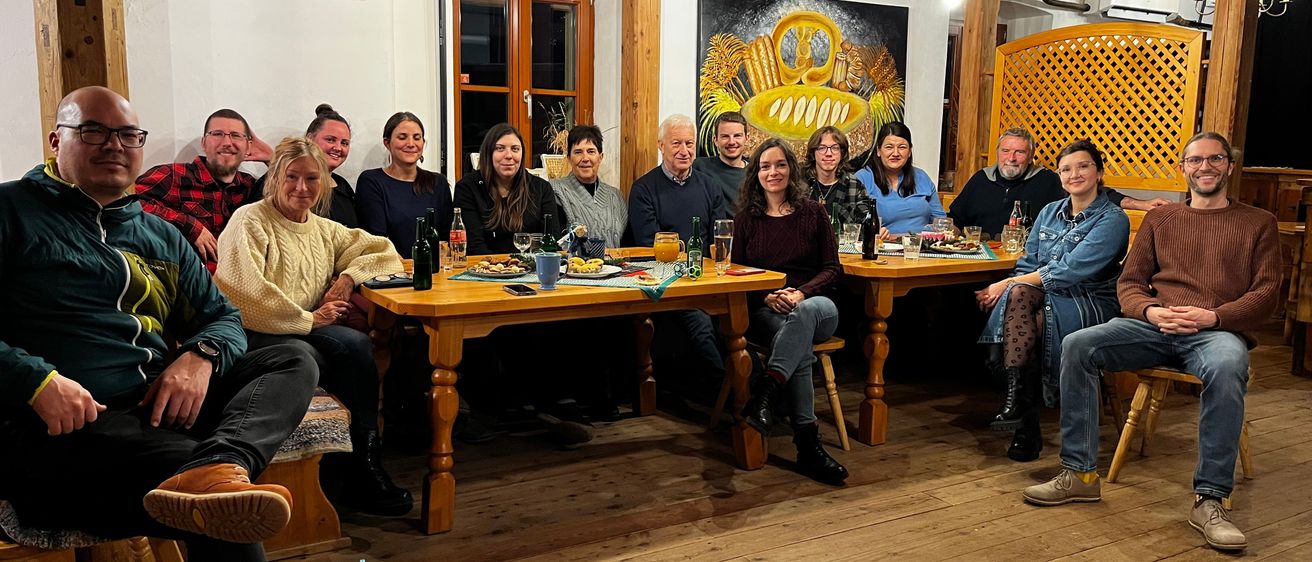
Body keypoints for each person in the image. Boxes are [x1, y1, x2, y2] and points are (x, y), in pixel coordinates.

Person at [0, 86, 318, 561]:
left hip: (154, 407)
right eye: (93, 131)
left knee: (293, 357)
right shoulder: (11, 210)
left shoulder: (159, 233)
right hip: (60, 427)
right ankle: (210, 477)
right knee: (218, 505)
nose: (115, 145)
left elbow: (223, 317)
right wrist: (34, 380)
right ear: (55, 140)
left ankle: (224, 461)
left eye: (129, 135)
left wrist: (201, 356)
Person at [1023, 132, 1281, 553]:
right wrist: (1149, 311)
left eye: (1215, 159)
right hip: (1153, 325)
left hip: (1215, 331)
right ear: (1184, 168)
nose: (1205, 167)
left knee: (1228, 365)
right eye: (1195, 160)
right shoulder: (1162, 220)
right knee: (1078, 345)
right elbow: (1130, 282)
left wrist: (1214, 316)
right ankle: (1080, 475)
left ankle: (1210, 500)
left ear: (1229, 166)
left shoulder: (1259, 222)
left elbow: (1267, 293)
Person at [214, 137, 412, 516]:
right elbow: (245, 297)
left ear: (323, 182)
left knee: (355, 345)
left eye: (311, 179)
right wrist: (312, 319)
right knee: (334, 351)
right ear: (275, 178)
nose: (301, 188)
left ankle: (359, 465)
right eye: (292, 177)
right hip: (257, 331)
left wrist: (349, 277)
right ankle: (354, 471)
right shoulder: (250, 220)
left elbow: (385, 253)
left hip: (303, 327)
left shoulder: (324, 229)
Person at [975, 139, 1129, 462]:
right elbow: (1028, 264)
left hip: (1089, 300)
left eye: (1083, 166)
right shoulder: (1048, 212)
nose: (1074, 175)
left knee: (1027, 311)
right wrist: (1014, 283)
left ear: (1099, 172)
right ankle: (1023, 414)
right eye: (1066, 169)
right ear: (1059, 176)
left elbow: (1070, 272)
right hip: (1042, 295)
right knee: (1023, 300)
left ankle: (1024, 422)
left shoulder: (1113, 219)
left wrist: (1005, 284)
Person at [733, 138, 848, 485]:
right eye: (765, 166)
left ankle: (765, 392)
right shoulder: (746, 219)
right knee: (798, 348)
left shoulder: (813, 212)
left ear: (792, 169)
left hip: (817, 306)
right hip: (769, 310)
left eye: (780, 164)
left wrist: (801, 293)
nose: (773, 172)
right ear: (755, 174)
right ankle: (808, 447)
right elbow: (738, 273)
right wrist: (767, 296)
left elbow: (832, 269)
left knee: (803, 316)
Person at [629, 114, 728, 399]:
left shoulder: (710, 186)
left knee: (738, 316)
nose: (684, 150)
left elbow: (718, 240)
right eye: (676, 143)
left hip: (707, 280)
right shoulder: (644, 189)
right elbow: (650, 245)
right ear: (661, 145)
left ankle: (751, 385)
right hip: (668, 284)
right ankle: (728, 395)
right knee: (701, 323)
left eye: (689, 143)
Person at [949, 128, 1171, 238]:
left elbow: (1095, 193)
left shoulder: (1047, 180)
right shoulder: (981, 178)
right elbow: (956, 219)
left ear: (1031, 156)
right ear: (998, 152)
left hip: (1020, 262)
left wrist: (1140, 204)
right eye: (1006, 151)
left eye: (1020, 152)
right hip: (976, 258)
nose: (1011, 158)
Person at [136, 108, 262, 270]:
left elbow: (287, 200)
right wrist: (189, 226)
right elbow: (126, 203)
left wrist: (272, 159)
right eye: (217, 134)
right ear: (204, 143)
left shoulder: (250, 186)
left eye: (236, 135)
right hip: (185, 281)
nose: (227, 142)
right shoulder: (174, 175)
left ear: (248, 147)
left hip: (238, 281)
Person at [357, 111, 453, 258]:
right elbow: (377, 241)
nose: (411, 144)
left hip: (434, 269)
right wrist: (408, 267)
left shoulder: (438, 183)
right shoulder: (371, 181)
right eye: (402, 137)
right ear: (387, 143)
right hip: (391, 269)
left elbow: (447, 238)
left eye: (417, 138)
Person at [454, 123, 559, 254]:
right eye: (500, 148)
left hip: (532, 265)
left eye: (515, 149)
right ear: (488, 153)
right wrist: (504, 265)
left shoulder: (541, 188)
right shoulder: (467, 188)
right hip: (482, 265)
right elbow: (473, 246)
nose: (509, 155)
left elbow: (552, 240)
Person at [250, 104, 359, 228]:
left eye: (344, 143)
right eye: (330, 140)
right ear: (309, 138)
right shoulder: (274, 180)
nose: (338, 148)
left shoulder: (344, 186)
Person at [855, 121, 946, 236]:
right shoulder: (863, 178)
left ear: (909, 151)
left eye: (902, 147)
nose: (896, 153)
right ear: (878, 150)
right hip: (884, 244)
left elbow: (941, 222)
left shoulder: (921, 176)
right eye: (889, 147)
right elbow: (855, 224)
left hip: (923, 244)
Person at [549, 124, 627, 248]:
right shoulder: (555, 190)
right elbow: (555, 244)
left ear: (600, 157)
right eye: (578, 152)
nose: (585, 158)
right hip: (573, 261)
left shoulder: (616, 196)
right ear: (569, 158)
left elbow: (627, 245)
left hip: (616, 261)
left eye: (591, 152)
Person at [802, 125, 874, 225]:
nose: (828, 153)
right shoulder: (800, 184)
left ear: (842, 153)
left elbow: (865, 225)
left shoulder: (854, 185)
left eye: (835, 148)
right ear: (813, 153)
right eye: (822, 148)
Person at [691, 112, 748, 214]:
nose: (731, 142)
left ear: (746, 138)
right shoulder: (700, 167)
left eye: (737, 136)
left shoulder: (756, 171)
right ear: (715, 140)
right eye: (725, 136)